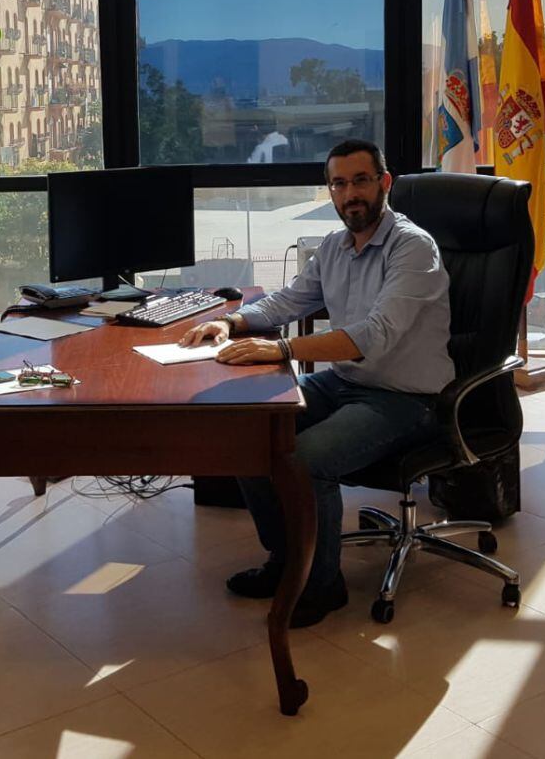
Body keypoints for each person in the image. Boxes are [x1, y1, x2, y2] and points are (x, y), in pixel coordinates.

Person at [180, 139, 453, 628]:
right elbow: (288, 302)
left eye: (361, 181)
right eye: (339, 183)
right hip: (348, 382)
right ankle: (288, 563)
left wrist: (282, 349)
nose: (351, 194)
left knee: (306, 462)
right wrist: (234, 324)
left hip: (406, 398)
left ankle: (323, 585)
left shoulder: (414, 248)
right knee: (251, 435)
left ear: (384, 184)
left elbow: (374, 335)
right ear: (330, 191)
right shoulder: (334, 246)